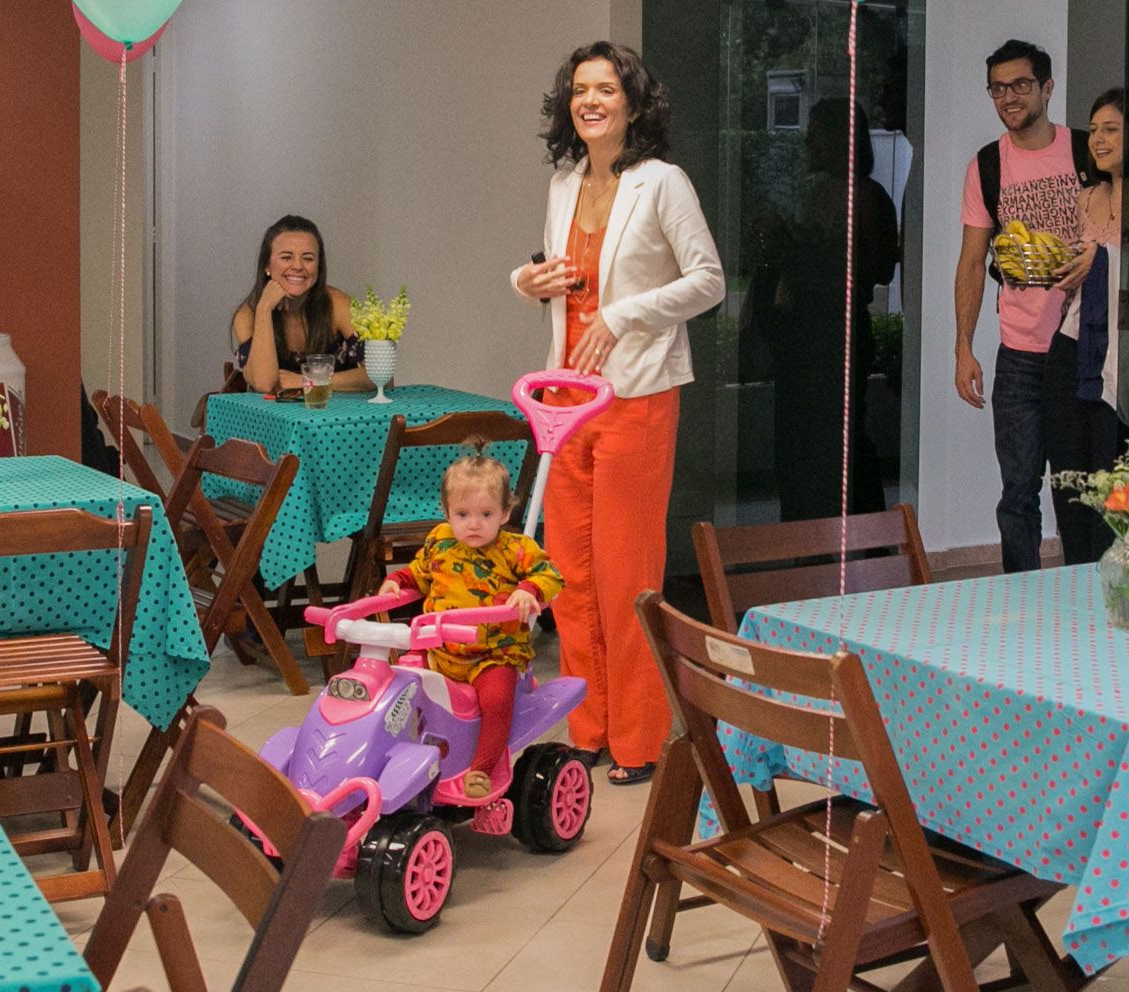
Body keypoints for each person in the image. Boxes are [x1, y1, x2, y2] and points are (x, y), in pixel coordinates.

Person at [510, 41, 724, 786]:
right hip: (566, 395)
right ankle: (587, 727)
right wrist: (527, 279)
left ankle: (636, 737)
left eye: (605, 88)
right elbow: (554, 274)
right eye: (579, 89)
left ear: (633, 102)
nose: (590, 100)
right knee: (568, 575)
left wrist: (627, 314)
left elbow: (708, 280)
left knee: (624, 573)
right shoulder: (565, 182)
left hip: (636, 398)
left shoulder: (663, 183)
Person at [954, 40, 1088, 573]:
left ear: (1047, 88)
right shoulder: (987, 166)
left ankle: (1086, 594)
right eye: (998, 88)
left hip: (1082, 349)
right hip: (1019, 355)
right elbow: (971, 263)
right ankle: (1021, 598)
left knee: (1082, 491)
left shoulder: (1085, 154)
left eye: (1021, 85)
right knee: (1017, 494)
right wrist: (963, 349)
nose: (1009, 97)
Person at [377, 443, 562, 799]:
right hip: (439, 649)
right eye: (462, 514)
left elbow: (550, 575)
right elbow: (419, 573)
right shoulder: (440, 542)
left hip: (493, 654)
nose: (473, 524)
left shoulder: (516, 549)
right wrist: (396, 582)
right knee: (399, 688)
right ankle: (400, 758)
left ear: (506, 513)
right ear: (446, 513)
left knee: (496, 700)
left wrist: (528, 591)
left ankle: (482, 768)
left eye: (486, 514)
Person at [754, 98, 900, 521]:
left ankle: (869, 541)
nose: (810, 143)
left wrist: (812, 254)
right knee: (797, 443)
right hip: (801, 336)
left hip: (840, 334)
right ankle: (803, 538)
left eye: (819, 134)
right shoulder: (817, 192)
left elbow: (879, 269)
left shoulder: (870, 197)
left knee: (845, 442)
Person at [1050, 87, 1129, 562]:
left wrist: (1105, 260)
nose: (1097, 139)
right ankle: (1075, 577)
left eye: (1110, 129)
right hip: (1074, 346)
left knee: (1119, 481)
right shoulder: (1086, 196)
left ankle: (1120, 580)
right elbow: (1078, 275)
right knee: (1073, 480)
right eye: (1093, 130)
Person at [231, 214, 370, 394]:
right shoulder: (247, 315)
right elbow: (263, 383)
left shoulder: (339, 304)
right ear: (267, 265)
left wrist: (308, 380)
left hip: (336, 416)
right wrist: (264, 308)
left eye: (308, 258)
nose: (297, 266)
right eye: (286, 257)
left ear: (319, 267)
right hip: (274, 420)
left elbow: (381, 377)